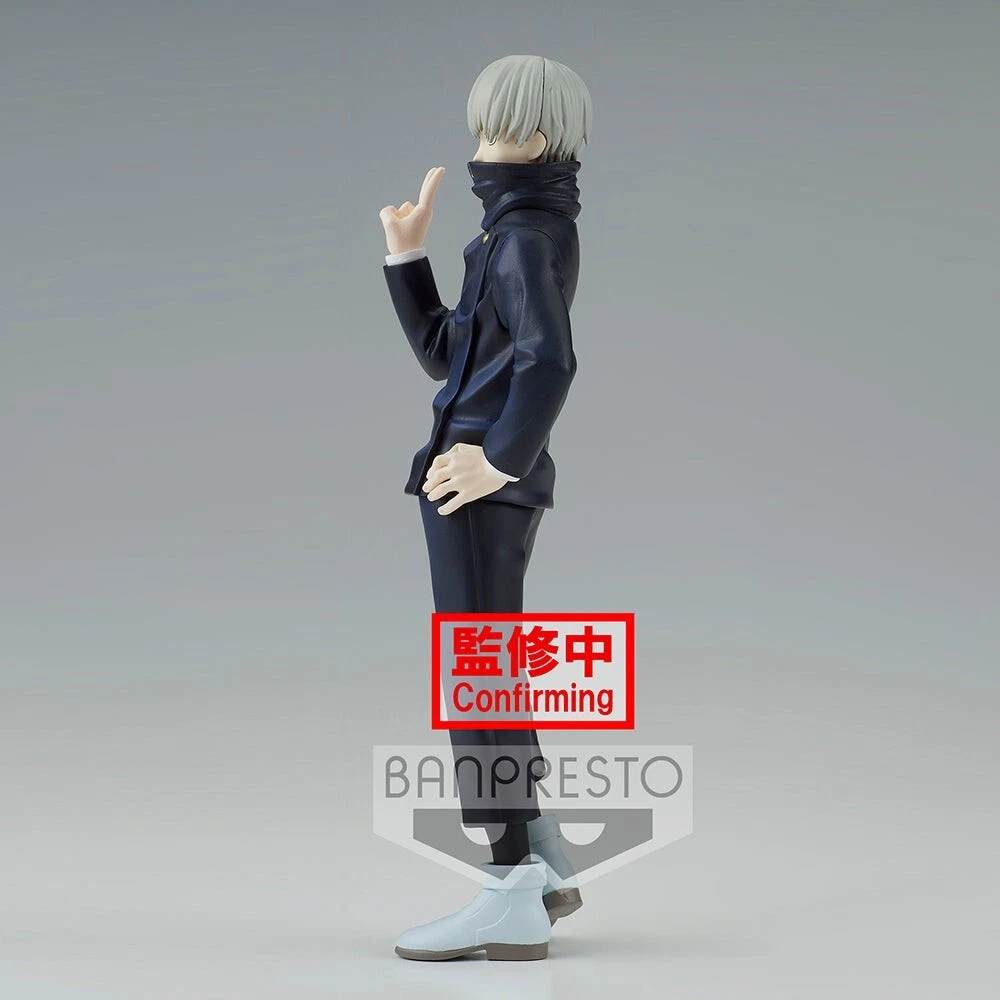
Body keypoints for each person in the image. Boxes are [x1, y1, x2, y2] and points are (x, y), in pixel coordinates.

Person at [379, 54, 592, 962]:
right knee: (488, 668)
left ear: (534, 139)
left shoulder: (524, 239)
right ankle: (542, 862)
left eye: (492, 131)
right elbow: (448, 353)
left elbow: (551, 360)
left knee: (476, 679)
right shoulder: (513, 234)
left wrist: (496, 460)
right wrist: (407, 256)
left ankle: (508, 887)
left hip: (474, 484)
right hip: (471, 477)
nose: (478, 149)